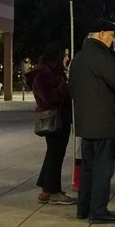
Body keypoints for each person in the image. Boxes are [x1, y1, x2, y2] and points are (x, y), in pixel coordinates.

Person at [69, 19, 115, 223]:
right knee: (103, 168)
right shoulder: (102, 57)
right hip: (104, 123)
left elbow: (72, 87)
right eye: (112, 36)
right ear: (102, 34)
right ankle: (99, 211)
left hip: (86, 122)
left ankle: (83, 208)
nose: (113, 40)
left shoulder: (79, 58)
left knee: (87, 166)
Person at [27, 43, 74, 206]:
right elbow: (49, 98)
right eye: (65, 55)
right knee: (55, 155)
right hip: (54, 119)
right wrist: (65, 87)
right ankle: (52, 192)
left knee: (54, 154)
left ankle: (47, 190)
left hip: (60, 118)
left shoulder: (52, 72)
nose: (67, 58)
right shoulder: (43, 74)